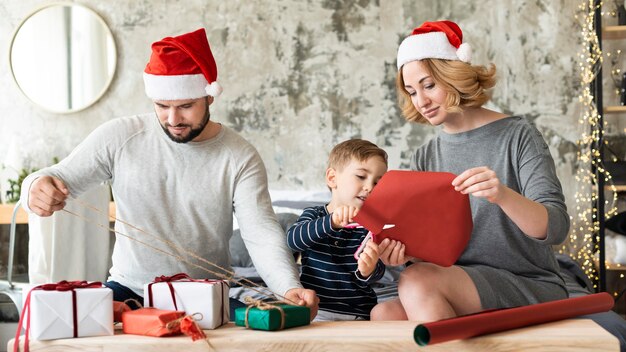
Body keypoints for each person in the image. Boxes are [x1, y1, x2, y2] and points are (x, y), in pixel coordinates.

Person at [20, 28, 319, 318]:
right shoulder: (119, 136)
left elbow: (260, 233)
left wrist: (288, 287)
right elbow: (55, 177)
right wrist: (35, 187)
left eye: (186, 106)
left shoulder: (239, 156)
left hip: (206, 294)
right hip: (128, 291)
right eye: (162, 106)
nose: (173, 119)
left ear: (209, 97)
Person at [371, 20, 570, 322]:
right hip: (462, 281)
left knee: (417, 281)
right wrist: (404, 254)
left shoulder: (518, 135)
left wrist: (502, 195)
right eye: (411, 92)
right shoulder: (425, 156)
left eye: (428, 85)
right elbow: (434, 248)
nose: (421, 101)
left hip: (529, 282)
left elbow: (556, 228)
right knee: (384, 314)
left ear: (454, 76)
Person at [286, 139, 387, 320]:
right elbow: (292, 240)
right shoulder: (315, 214)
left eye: (377, 183)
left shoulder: (372, 225)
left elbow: (378, 272)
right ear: (333, 178)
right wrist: (330, 222)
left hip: (358, 313)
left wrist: (369, 270)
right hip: (317, 311)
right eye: (361, 176)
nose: (370, 187)